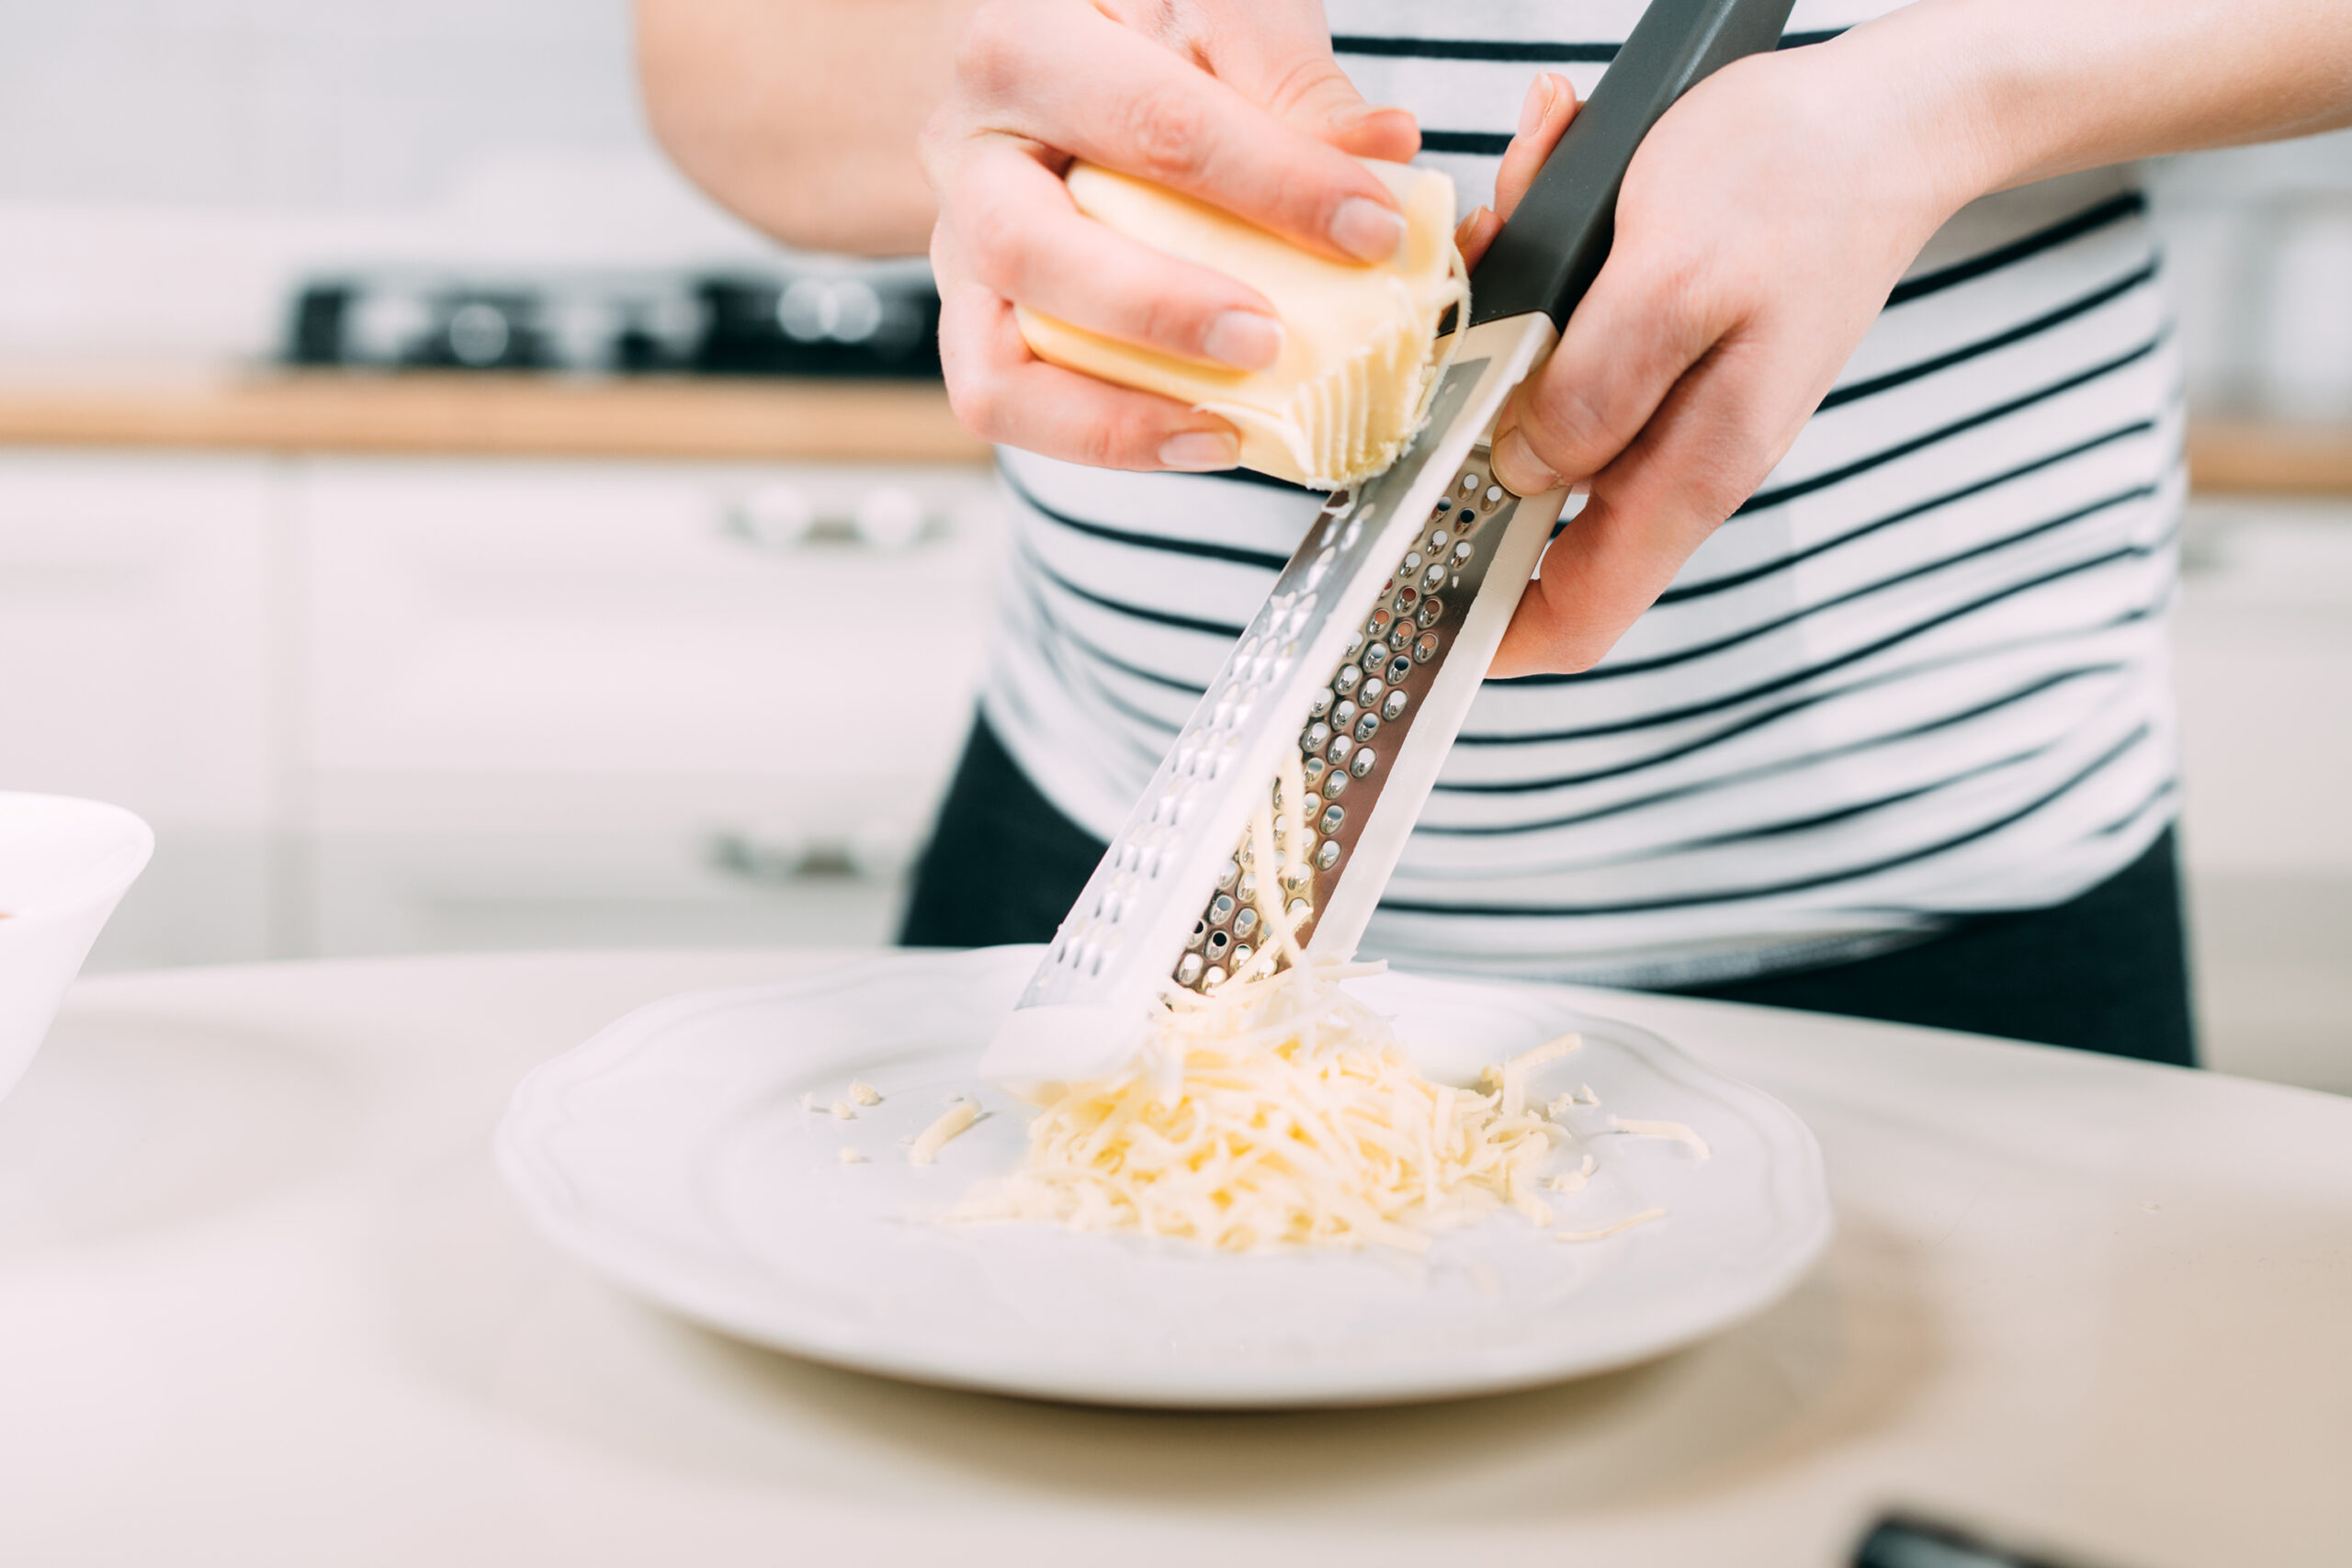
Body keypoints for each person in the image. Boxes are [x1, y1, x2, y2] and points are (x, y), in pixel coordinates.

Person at [639, 0, 2352, 1064]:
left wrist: (1942, 96)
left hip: (1947, 895)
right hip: (1121, 848)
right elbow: (719, 61)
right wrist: (994, 60)